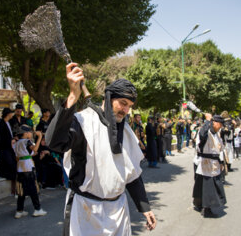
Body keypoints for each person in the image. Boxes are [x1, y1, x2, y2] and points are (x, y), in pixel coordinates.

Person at [46, 63, 156, 235]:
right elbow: (54, 142)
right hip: (86, 213)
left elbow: (132, 174)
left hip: (119, 211)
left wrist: (144, 207)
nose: (126, 110)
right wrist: (73, 96)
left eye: (130, 106)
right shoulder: (83, 121)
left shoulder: (125, 131)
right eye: (123, 103)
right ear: (109, 97)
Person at [192, 114, 227, 218]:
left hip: (213, 163)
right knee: (208, 188)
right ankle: (206, 209)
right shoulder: (205, 131)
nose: (221, 126)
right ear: (214, 123)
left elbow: (219, 148)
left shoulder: (216, 133)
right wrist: (207, 121)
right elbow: (202, 134)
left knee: (203, 186)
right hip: (206, 164)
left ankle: (199, 204)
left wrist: (221, 162)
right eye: (220, 124)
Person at [13, 125, 47, 218]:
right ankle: (37, 209)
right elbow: (35, 149)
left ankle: (19, 211)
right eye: (30, 132)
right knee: (33, 189)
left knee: (21, 190)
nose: (31, 134)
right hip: (28, 167)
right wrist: (39, 137)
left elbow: (21, 155)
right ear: (25, 133)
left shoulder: (17, 143)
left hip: (20, 167)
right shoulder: (27, 141)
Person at [0, 108, 17, 180]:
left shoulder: (8, 123)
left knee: (9, 160)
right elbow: (2, 137)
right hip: (4, 146)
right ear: (8, 114)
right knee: (7, 161)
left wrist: (13, 138)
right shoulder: (1, 124)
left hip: (9, 146)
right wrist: (10, 141)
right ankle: (5, 174)